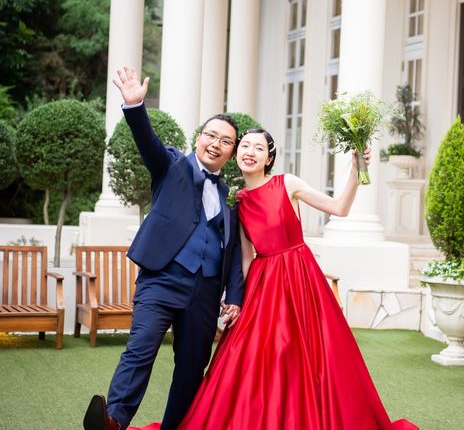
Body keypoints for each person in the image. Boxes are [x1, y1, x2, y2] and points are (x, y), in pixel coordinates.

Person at [131, 127, 418, 429]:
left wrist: (357, 171)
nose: (250, 152)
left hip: (300, 277)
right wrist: (237, 300)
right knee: (255, 356)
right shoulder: (239, 201)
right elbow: (245, 256)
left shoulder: (287, 183)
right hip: (263, 283)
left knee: (313, 354)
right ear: (236, 154)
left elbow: (339, 208)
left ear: (269, 158)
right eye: (245, 146)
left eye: (259, 148)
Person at [83, 67, 245, 430]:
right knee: (140, 348)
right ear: (199, 138)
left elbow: (233, 251)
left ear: (231, 152)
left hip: (206, 290)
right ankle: (114, 421)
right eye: (211, 135)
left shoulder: (229, 196)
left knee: (192, 366)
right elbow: (148, 142)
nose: (216, 143)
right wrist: (135, 107)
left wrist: (234, 295)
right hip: (161, 279)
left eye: (225, 141)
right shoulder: (170, 165)